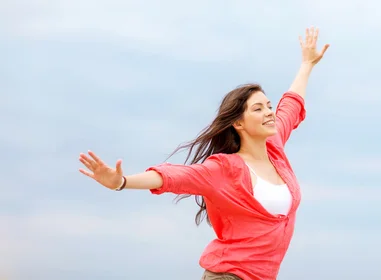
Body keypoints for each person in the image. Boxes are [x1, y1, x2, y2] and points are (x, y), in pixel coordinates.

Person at [77, 26, 330, 280]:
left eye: (268, 106)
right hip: (228, 276)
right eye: (257, 109)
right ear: (238, 123)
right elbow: (173, 176)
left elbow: (292, 105)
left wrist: (307, 64)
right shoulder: (223, 169)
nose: (268, 112)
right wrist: (121, 182)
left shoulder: (275, 148)